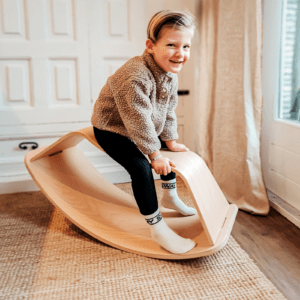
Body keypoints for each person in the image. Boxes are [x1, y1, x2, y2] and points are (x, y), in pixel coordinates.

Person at [91, 10, 197, 254]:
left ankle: (170, 196)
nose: (180, 54)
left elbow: (169, 109)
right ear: (151, 46)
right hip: (114, 128)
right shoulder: (135, 76)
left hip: (144, 124)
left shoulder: (169, 72)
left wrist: (169, 142)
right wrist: (154, 155)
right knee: (140, 167)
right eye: (171, 45)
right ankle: (157, 227)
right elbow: (136, 120)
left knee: (165, 152)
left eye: (186, 46)